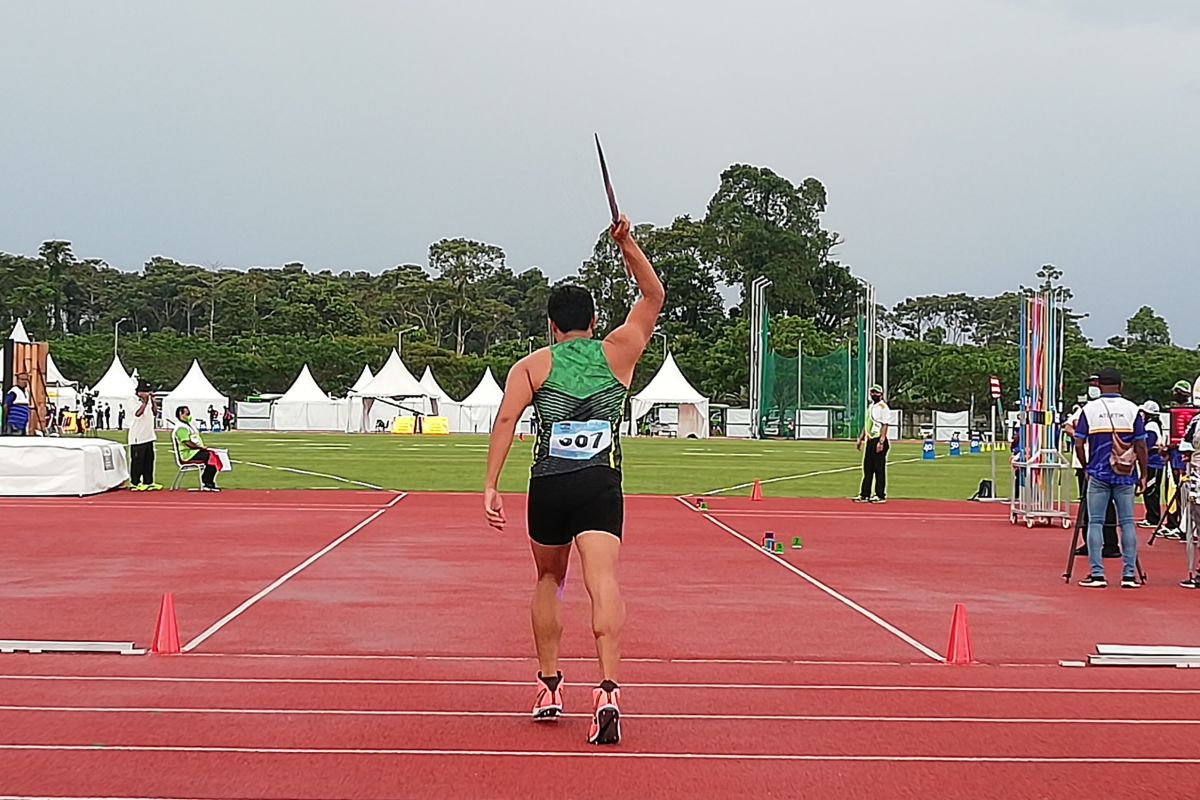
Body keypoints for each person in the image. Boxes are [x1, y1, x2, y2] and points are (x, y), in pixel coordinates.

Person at [483, 214, 663, 746]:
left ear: (552, 326)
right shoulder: (619, 352)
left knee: (548, 580)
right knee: (602, 582)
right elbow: (653, 295)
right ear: (592, 320)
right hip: (600, 484)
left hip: (551, 485)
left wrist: (490, 485)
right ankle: (607, 691)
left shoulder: (533, 365)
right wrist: (627, 245)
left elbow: (505, 421)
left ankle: (549, 686)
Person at [1073, 368, 1148, 589]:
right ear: (1120, 386)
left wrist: (1086, 465)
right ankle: (1128, 575)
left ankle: (1097, 574)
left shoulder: (1090, 409)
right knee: (1127, 523)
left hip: (1098, 472)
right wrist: (1143, 474)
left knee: (1095, 522)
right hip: (1125, 474)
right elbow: (1141, 445)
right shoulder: (1132, 409)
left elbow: (1078, 442)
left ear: (1098, 386)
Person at [1065, 375, 1120, 559]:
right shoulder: (1086, 409)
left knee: (1102, 506)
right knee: (1090, 506)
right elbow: (1068, 427)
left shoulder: (1100, 410)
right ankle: (1093, 543)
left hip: (1098, 463)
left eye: (1096, 383)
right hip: (1089, 463)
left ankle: (1109, 544)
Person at [854, 384, 890, 503]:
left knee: (879, 469)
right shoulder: (871, 407)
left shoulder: (883, 407)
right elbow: (867, 424)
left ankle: (880, 494)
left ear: (881, 394)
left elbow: (884, 425)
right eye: (872, 392)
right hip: (870, 440)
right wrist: (861, 438)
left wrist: (881, 441)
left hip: (878, 439)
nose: (874, 394)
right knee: (867, 468)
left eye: (876, 393)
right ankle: (865, 494)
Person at [174, 406, 222, 492]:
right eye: (187, 414)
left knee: (213, 455)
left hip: (195, 451)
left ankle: (208, 481)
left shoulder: (188, 425)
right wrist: (201, 448)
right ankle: (207, 482)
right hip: (188, 454)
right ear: (180, 414)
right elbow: (187, 443)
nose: (189, 415)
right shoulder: (181, 428)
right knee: (210, 457)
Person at [128, 381, 161, 491]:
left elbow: (155, 413)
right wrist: (145, 402)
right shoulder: (132, 401)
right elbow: (137, 414)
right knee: (137, 461)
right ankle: (135, 482)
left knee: (149, 460)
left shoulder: (149, 401)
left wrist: (153, 401)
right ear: (139, 392)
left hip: (149, 435)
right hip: (137, 437)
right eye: (145, 392)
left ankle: (149, 481)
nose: (147, 394)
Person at [1139, 400, 1165, 529]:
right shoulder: (1154, 424)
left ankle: (1153, 518)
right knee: (1150, 490)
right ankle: (1151, 516)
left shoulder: (1151, 426)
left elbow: (1148, 445)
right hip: (1153, 462)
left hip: (1153, 463)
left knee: (1151, 491)